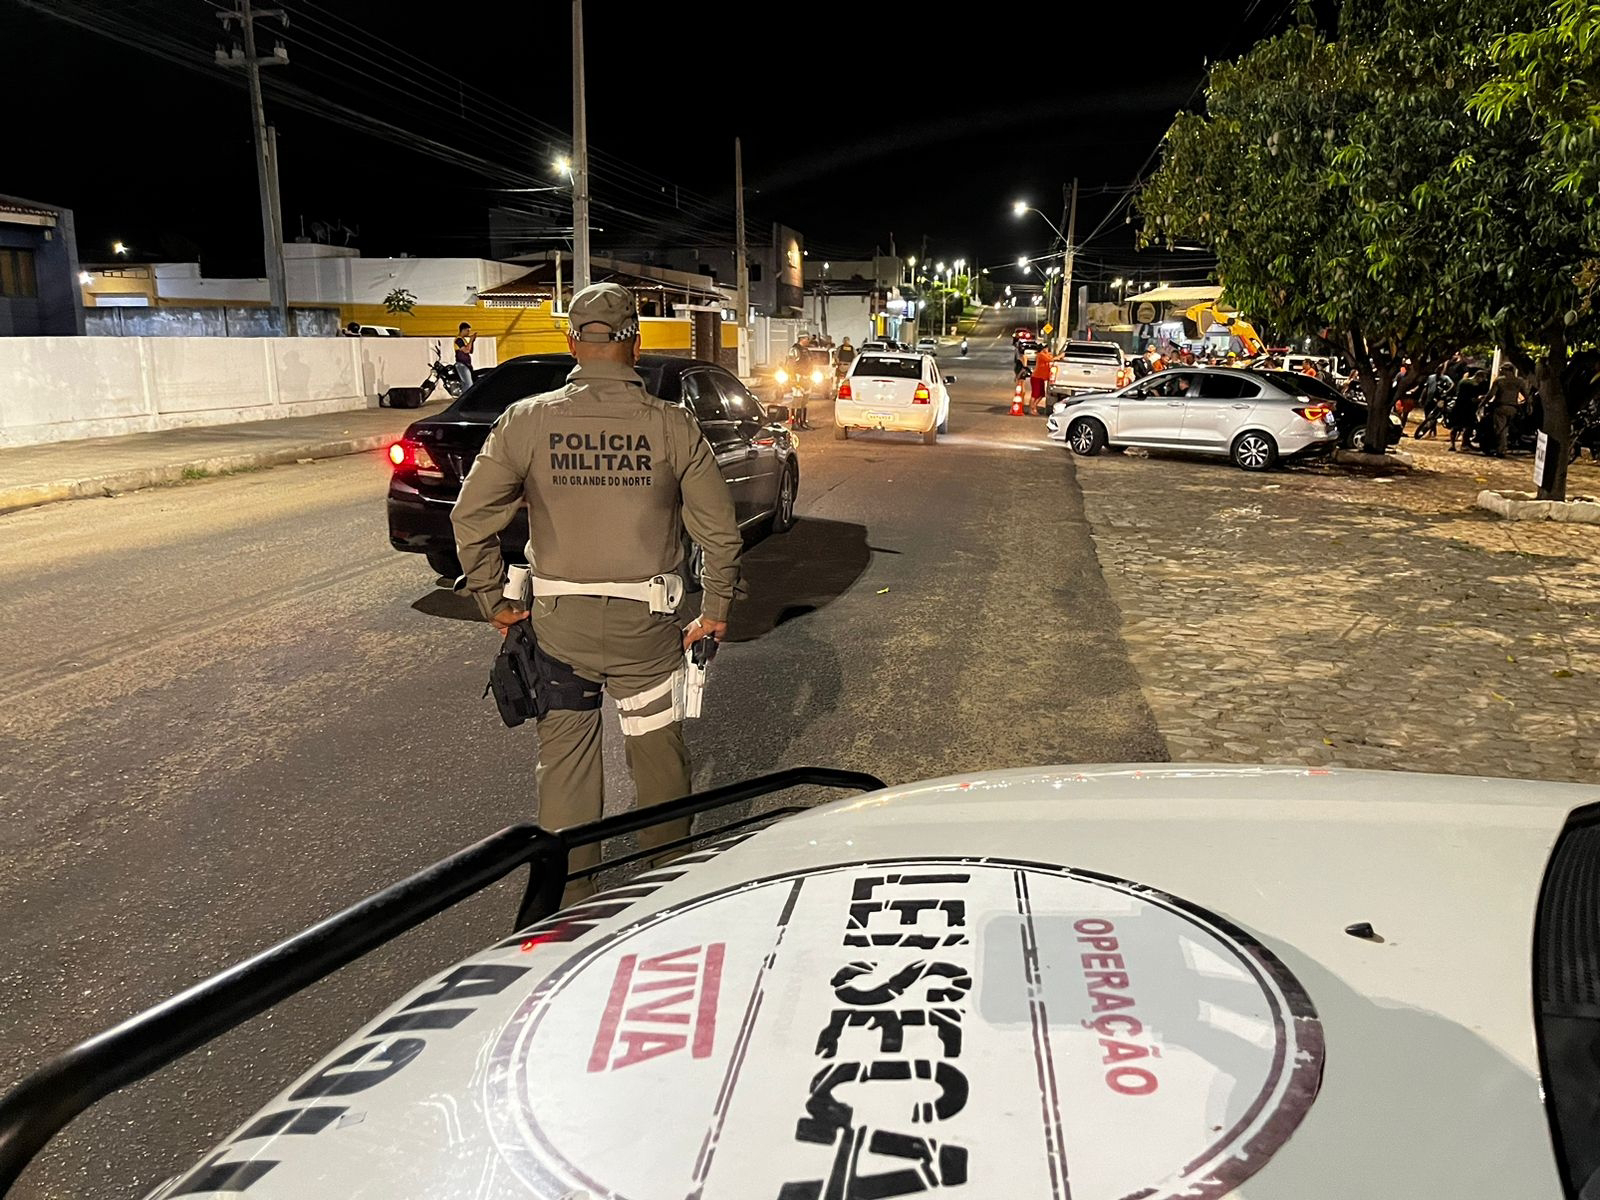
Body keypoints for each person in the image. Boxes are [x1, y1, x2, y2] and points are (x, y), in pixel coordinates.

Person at [450, 282, 744, 896]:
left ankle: (570, 908)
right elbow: (719, 531)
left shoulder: (528, 421)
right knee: (658, 763)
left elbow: (470, 518)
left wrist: (494, 602)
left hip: (558, 629)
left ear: (572, 341)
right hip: (647, 632)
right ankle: (664, 897)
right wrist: (715, 609)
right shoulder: (672, 425)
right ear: (634, 344)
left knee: (566, 772)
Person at [1488, 363, 1527, 457]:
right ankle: (1503, 448)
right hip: (1513, 408)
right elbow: (1526, 395)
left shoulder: (1499, 381)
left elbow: (1491, 394)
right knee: (1505, 429)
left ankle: (1501, 450)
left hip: (1501, 407)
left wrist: (1482, 403)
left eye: (1502, 370)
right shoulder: (1519, 381)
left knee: (1499, 430)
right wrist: (1527, 405)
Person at [1030, 343, 1054, 415]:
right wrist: (1059, 356)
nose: (1047, 350)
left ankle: (1033, 406)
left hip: (1041, 378)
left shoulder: (1044, 355)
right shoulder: (1041, 355)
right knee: (1035, 394)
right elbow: (1050, 359)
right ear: (1043, 349)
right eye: (1046, 348)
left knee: (1041, 394)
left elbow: (1050, 357)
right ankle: (1032, 409)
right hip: (1036, 377)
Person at [454, 322, 478, 389]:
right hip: (462, 364)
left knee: (466, 385)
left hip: (466, 364)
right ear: (463, 330)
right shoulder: (458, 340)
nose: (468, 333)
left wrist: (472, 342)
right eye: (467, 330)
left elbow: (470, 351)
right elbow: (466, 350)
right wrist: (471, 340)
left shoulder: (463, 340)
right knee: (469, 384)